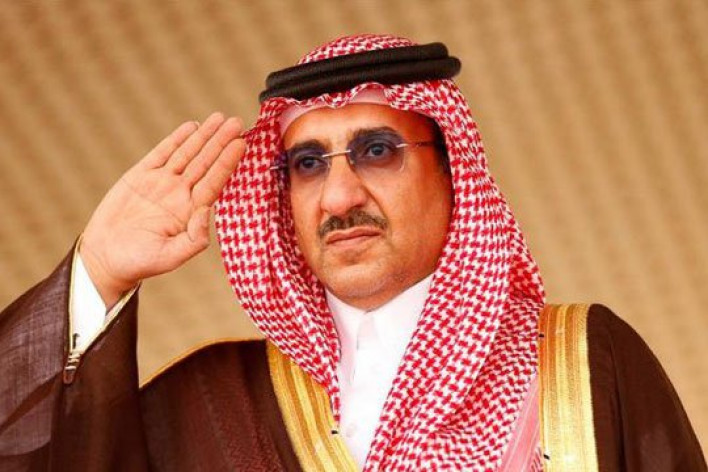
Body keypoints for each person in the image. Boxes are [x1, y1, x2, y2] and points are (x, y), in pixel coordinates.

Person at [0, 34, 704, 471]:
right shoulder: (212, 403)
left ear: (453, 176)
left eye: (377, 151)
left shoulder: (585, 363)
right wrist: (98, 273)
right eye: (307, 165)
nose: (338, 197)